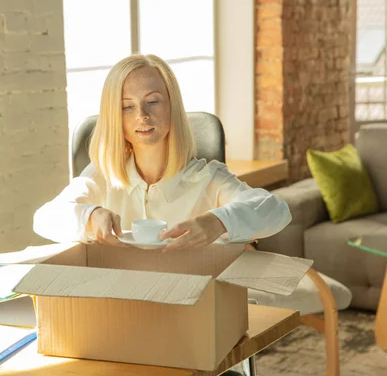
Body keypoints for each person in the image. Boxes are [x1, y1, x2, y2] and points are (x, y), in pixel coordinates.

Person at [34, 54, 291, 250]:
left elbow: (276, 210)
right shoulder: (103, 175)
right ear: (115, 118)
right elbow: (44, 218)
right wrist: (90, 216)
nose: (142, 116)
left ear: (172, 107)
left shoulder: (207, 178)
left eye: (153, 101)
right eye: (127, 107)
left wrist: (218, 222)